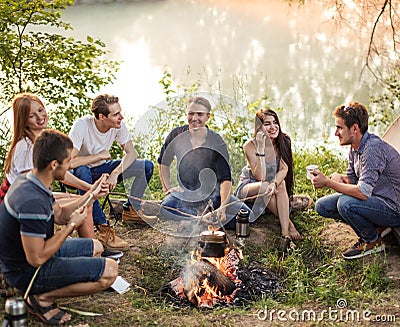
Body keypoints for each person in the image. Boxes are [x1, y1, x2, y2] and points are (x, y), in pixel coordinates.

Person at [0, 130, 118, 325]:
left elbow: (60, 214)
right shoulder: (32, 201)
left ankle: (47, 288)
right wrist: (71, 226)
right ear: (54, 165)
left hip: (34, 253)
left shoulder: (33, 180)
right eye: (68, 161)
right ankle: (40, 297)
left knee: (97, 247)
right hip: (27, 272)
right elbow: (36, 258)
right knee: (110, 272)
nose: (71, 166)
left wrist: (92, 195)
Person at [311, 101, 400, 259]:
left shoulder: (372, 149)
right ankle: (375, 225)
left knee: (346, 204)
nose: (335, 133)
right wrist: (339, 178)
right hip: (375, 198)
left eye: (339, 127)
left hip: (393, 207)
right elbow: (353, 180)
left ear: (355, 128)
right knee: (322, 206)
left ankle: (372, 240)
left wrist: (329, 183)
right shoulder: (355, 147)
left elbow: (362, 192)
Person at [1, 93, 94, 239]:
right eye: (32, 116)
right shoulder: (24, 148)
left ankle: (91, 245)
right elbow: (31, 188)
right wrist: (89, 191)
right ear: (23, 121)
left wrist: (89, 188)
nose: (40, 117)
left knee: (82, 201)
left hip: (34, 195)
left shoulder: (42, 138)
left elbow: (59, 171)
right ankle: (90, 248)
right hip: (20, 202)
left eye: (40, 110)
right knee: (84, 205)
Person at [69, 94, 154, 250]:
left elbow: (131, 153)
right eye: (116, 114)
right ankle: (103, 228)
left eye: (119, 112)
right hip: (81, 172)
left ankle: (131, 210)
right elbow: (69, 162)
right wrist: (98, 156)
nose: (121, 117)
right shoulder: (82, 126)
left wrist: (115, 173)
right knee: (82, 171)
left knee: (146, 166)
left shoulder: (118, 125)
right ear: (102, 116)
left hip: (103, 169)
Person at [158, 96, 253, 231]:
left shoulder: (216, 141)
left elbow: (226, 178)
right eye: (191, 114)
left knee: (248, 216)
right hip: (186, 194)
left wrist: (223, 208)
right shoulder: (176, 135)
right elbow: (163, 162)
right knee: (165, 207)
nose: (194, 118)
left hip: (214, 195)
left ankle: (198, 221)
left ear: (208, 117)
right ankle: (200, 220)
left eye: (200, 114)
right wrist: (166, 188)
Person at [234, 108, 301, 250]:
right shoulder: (249, 146)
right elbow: (260, 176)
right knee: (265, 186)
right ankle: (290, 224)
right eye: (267, 124)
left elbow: (284, 169)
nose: (273, 127)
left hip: (270, 187)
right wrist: (261, 149)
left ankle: (285, 236)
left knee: (279, 184)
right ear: (259, 127)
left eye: (275, 122)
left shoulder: (284, 140)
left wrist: (274, 183)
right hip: (249, 188)